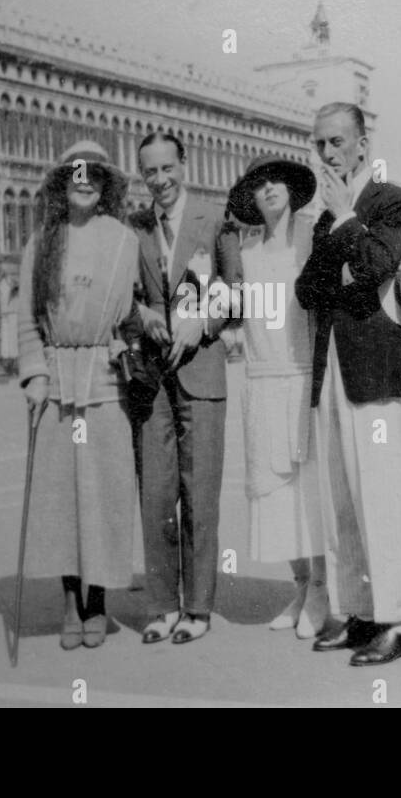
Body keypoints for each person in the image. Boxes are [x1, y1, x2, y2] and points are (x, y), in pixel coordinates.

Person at [296, 102, 401, 666]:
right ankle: (358, 611)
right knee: (340, 497)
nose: (327, 153)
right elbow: (307, 290)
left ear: (363, 144)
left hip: (373, 366)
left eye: (337, 142)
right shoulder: (324, 217)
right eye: (319, 143)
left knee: (379, 494)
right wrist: (348, 258)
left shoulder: (391, 201)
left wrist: (347, 221)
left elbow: (376, 265)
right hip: (331, 364)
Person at [16, 140, 140, 650]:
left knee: (104, 493)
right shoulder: (41, 243)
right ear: (62, 183)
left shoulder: (124, 240)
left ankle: (98, 602)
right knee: (62, 495)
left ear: (105, 184)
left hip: (106, 382)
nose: (84, 181)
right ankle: (70, 600)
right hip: (57, 382)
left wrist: (129, 341)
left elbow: (134, 311)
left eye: (93, 174)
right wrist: (34, 374)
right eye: (75, 174)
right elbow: (27, 318)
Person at [129, 132, 242, 645]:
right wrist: (142, 313)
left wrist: (203, 322)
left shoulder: (216, 220)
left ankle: (197, 607)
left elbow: (238, 291)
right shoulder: (135, 227)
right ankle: (161, 606)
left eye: (167, 168)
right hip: (152, 379)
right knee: (156, 495)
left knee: (200, 496)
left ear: (184, 164)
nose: (160, 180)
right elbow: (123, 294)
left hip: (202, 374)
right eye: (150, 171)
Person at [227, 154, 330, 639]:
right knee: (274, 493)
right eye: (260, 183)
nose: (269, 189)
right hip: (262, 380)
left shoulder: (311, 239)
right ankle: (301, 585)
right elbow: (220, 302)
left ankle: (322, 590)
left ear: (291, 189)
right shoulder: (245, 252)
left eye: (277, 181)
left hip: (303, 376)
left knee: (309, 492)